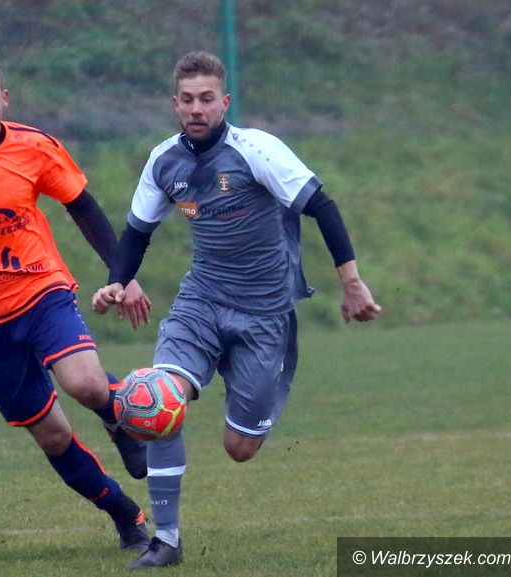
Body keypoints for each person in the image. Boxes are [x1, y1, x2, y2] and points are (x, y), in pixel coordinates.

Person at [92, 51, 382, 569]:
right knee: (159, 401)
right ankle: (166, 540)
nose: (196, 108)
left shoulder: (257, 151)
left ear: (224, 102)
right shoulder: (164, 161)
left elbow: (322, 207)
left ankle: (246, 383)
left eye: (207, 99)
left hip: (264, 315)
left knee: (239, 448)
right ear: (175, 103)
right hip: (201, 302)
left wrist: (353, 285)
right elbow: (137, 233)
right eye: (187, 100)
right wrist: (116, 283)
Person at [0, 58, 152, 552]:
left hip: (41, 287)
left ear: (5, 99)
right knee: (53, 437)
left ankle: (118, 416)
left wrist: (122, 274)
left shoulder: (34, 146)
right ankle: (125, 514)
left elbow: (83, 206)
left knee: (84, 382)